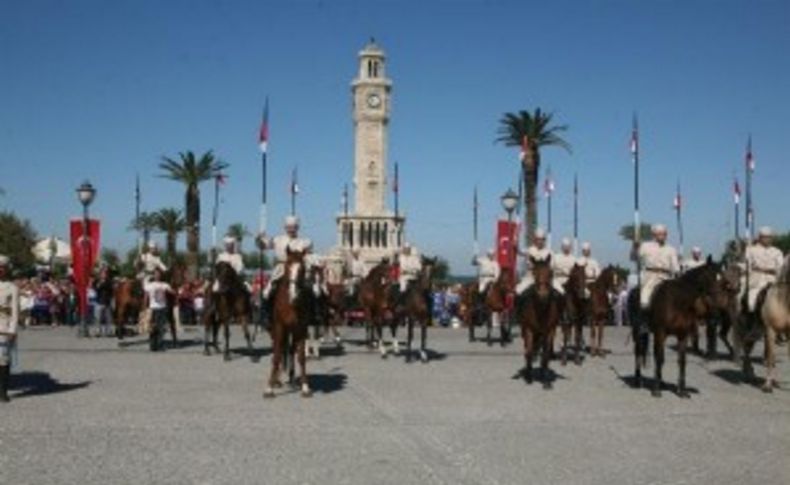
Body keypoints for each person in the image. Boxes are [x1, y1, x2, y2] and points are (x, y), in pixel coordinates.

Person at [256, 215, 312, 317]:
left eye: (294, 227)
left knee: (311, 290)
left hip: (297, 270)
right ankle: (265, 316)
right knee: (266, 292)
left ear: (297, 228)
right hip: (281, 268)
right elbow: (263, 246)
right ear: (285, 227)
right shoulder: (278, 239)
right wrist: (259, 238)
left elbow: (308, 252)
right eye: (289, 227)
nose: (291, 229)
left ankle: (312, 314)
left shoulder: (303, 241)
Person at [630, 224, 680, 310]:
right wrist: (634, 248)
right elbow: (634, 258)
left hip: (666, 277)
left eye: (664, 234)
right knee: (644, 300)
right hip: (650, 277)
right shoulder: (645, 246)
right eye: (660, 234)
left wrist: (677, 273)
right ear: (654, 235)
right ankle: (644, 317)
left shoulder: (671, 249)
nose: (663, 236)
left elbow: (675, 266)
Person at [743, 226, 785, 314]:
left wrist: (763, 269)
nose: (768, 239)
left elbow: (781, 268)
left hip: (774, 281)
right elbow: (748, 267)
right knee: (751, 303)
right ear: (759, 238)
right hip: (757, 282)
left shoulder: (777, 252)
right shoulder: (751, 250)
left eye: (769, 237)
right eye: (765, 237)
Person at [0, 255, 19, 402]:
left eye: (2, 267)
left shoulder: (12, 288)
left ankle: (3, 391)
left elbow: (14, 311)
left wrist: (13, 330)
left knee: (3, 359)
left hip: (4, 327)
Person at [143, 268, 174, 351]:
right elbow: (146, 297)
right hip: (153, 308)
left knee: (161, 328)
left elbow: (172, 292)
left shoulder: (165, 285)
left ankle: (160, 345)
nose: (158, 275)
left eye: (159, 274)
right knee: (152, 328)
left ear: (161, 275)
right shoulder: (149, 285)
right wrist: (145, 308)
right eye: (156, 274)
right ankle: (152, 345)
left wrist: (176, 291)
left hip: (162, 308)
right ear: (154, 275)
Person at [515, 227, 552, 295]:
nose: (540, 241)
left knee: (561, 291)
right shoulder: (530, 250)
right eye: (538, 239)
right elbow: (519, 251)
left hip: (545, 279)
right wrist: (516, 241)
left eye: (542, 239)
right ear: (535, 240)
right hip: (530, 277)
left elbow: (551, 267)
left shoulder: (548, 252)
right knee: (518, 291)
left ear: (544, 240)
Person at [92, 266, 114, 337]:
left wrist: (112, 300)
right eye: (103, 273)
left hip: (107, 302)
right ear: (100, 274)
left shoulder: (109, 281)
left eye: (105, 273)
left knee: (108, 319)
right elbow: (95, 289)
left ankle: (108, 332)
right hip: (99, 301)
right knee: (98, 319)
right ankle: (98, 332)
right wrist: (100, 284)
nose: (104, 274)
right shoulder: (96, 281)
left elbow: (111, 291)